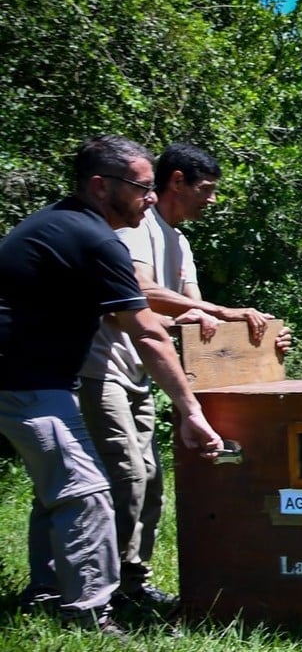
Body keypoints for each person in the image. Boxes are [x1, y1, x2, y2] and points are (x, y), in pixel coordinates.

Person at [0, 135, 223, 635]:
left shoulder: (65, 225)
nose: (151, 197)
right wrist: (189, 411)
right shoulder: (94, 238)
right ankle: (88, 614)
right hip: (23, 380)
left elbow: (132, 322)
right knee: (88, 490)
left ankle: (48, 590)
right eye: (143, 187)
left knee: (60, 487)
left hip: (32, 379)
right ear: (101, 187)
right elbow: (146, 331)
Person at [75, 142, 291, 614]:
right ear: (178, 182)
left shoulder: (181, 243)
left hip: (141, 373)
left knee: (149, 478)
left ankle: (133, 583)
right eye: (207, 190)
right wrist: (214, 311)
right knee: (125, 476)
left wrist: (262, 339)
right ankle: (98, 593)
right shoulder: (136, 227)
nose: (212, 200)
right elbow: (138, 293)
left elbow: (197, 323)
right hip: (102, 368)